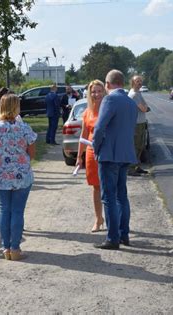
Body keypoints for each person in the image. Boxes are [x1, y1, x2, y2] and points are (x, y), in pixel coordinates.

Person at [0, 93, 37, 261]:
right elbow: (32, 152)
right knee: (17, 211)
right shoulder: (24, 128)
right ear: (16, 107)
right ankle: (15, 248)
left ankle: (5, 248)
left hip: (1, 175)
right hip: (21, 175)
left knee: (3, 210)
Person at [92, 69, 138, 250]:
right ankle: (124, 234)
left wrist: (95, 148)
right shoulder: (130, 102)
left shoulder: (109, 99)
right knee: (121, 196)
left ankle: (112, 238)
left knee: (109, 197)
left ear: (108, 84)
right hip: (125, 154)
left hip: (109, 154)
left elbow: (99, 128)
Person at [76, 80, 106, 233]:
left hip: (107, 152)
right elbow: (83, 135)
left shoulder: (109, 109)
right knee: (96, 187)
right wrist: (79, 156)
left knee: (108, 187)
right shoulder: (87, 112)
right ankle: (98, 219)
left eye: (99, 91)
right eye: (93, 91)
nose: (96, 94)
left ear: (104, 91)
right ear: (89, 93)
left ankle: (113, 219)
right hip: (91, 153)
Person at [127, 75, 149, 176]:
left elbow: (146, 106)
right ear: (132, 82)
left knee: (140, 146)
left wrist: (145, 107)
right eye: (137, 81)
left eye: (140, 81)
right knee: (135, 146)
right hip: (136, 124)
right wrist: (145, 107)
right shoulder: (133, 95)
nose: (139, 82)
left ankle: (137, 167)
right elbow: (144, 109)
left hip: (141, 122)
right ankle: (131, 169)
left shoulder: (138, 93)